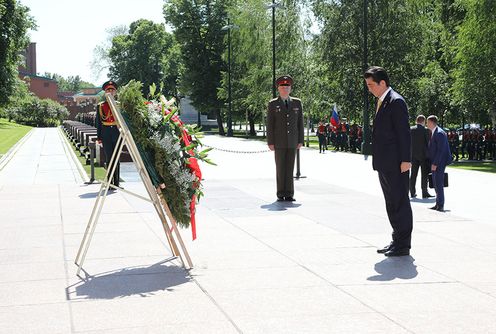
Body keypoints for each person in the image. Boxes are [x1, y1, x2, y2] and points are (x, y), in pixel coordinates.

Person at [364, 66, 413, 257]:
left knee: (400, 202)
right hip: (385, 163)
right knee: (391, 203)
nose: (369, 89)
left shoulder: (396, 101)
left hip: (396, 163)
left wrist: (406, 160)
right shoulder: (383, 101)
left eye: (371, 85)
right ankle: (396, 240)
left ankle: (403, 245)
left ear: (382, 83)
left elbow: (404, 133)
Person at [267, 75, 304, 202]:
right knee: (280, 168)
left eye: (287, 86)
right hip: (279, 141)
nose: (285, 88)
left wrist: (300, 140)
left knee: (290, 168)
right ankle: (280, 193)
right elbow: (270, 124)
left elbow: (300, 123)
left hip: (292, 141)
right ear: (278, 88)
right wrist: (270, 142)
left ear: (290, 88)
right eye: (282, 86)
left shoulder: (297, 103)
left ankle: (289, 194)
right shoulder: (273, 104)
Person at [95, 80, 120, 188]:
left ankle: (117, 183)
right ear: (105, 92)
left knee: (117, 158)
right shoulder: (101, 106)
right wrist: (99, 137)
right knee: (109, 158)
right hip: (106, 134)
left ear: (115, 92)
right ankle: (110, 183)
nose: (110, 92)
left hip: (117, 133)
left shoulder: (119, 105)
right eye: (108, 90)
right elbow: (98, 122)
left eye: (112, 90)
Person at [427, 115, 452, 212]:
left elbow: (440, 150)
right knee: (436, 183)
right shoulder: (434, 132)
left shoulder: (439, 133)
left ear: (432, 122)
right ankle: (438, 203)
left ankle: (440, 205)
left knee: (438, 183)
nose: (426, 124)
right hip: (435, 161)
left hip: (439, 162)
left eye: (427, 122)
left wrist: (435, 163)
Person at [409, 115, 433, 199]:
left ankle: (412, 192)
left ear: (416, 120)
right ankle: (424, 192)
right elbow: (428, 143)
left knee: (413, 175)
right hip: (424, 156)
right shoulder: (426, 130)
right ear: (423, 121)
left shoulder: (411, 129)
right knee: (424, 175)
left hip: (413, 155)